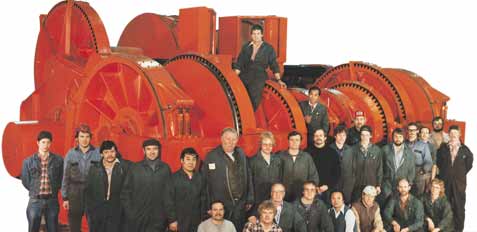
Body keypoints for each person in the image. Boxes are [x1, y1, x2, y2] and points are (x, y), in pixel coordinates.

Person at [202, 127, 254, 231]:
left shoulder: (241, 154)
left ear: (237, 140)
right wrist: (207, 205)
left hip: (240, 205)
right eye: (227, 138)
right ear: (221, 139)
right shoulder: (211, 156)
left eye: (234, 139)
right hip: (221, 206)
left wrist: (250, 198)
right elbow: (205, 183)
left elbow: (248, 176)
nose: (230, 142)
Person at [120, 139, 171, 231]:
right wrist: (131, 213)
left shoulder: (165, 168)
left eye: (155, 149)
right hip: (139, 218)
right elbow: (125, 193)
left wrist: (167, 216)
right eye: (148, 149)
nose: (152, 152)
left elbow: (169, 194)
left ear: (159, 150)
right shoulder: (134, 168)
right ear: (143, 151)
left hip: (159, 218)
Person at [232, 24, 286, 111]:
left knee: (254, 98)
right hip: (245, 74)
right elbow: (239, 63)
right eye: (254, 34)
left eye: (258, 34)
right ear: (251, 35)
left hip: (259, 75)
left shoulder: (268, 48)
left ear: (262, 35)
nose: (256, 36)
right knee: (238, 96)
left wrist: (279, 80)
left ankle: (249, 116)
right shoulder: (246, 47)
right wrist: (233, 78)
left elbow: (274, 64)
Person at [21, 131, 64, 232]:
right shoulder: (28, 161)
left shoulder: (58, 160)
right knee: (33, 228)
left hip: (52, 200)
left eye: (48, 142)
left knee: (53, 228)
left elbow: (61, 178)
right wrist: (34, 190)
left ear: (51, 143)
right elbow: (25, 181)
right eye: (43, 142)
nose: (46, 145)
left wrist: (55, 189)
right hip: (35, 200)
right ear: (38, 143)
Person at [61, 124, 100, 232]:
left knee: (95, 223)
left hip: (93, 193)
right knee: (74, 225)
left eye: (87, 136)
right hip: (75, 193)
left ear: (90, 138)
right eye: (82, 136)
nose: (84, 139)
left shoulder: (98, 153)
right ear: (77, 138)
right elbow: (65, 176)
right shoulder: (70, 154)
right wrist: (65, 197)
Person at [85, 140, 128, 232]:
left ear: (116, 152)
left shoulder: (124, 167)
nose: (110, 155)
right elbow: (88, 191)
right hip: (98, 210)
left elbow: (129, 190)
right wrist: (90, 211)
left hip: (116, 210)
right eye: (106, 152)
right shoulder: (94, 169)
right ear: (101, 154)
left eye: (112, 151)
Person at [436, 125, 473, 232]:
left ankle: (458, 229)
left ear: (459, 134)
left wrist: (458, 173)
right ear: (448, 135)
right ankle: (443, 229)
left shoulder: (465, 150)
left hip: (459, 183)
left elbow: (468, 165)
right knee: (443, 206)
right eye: (451, 134)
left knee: (459, 207)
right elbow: (439, 163)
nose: (453, 136)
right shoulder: (443, 148)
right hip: (445, 181)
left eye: (455, 133)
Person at [166, 147, 207, 232]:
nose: (191, 162)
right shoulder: (173, 178)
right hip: (179, 221)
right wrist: (172, 220)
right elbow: (168, 201)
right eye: (188, 159)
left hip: (196, 221)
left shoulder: (200, 178)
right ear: (182, 160)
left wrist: (204, 218)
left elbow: (203, 199)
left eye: (194, 159)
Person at [342, 125, 383, 204]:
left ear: (370, 136)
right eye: (362, 135)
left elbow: (379, 169)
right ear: (360, 136)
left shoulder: (377, 150)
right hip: (356, 185)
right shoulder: (353, 150)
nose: (365, 137)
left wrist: (378, 185)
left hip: (371, 184)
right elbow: (349, 169)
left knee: (369, 206)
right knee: (356, 206)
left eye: (367, 135)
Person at [279, 131, 320, 202]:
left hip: (302, 195)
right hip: (283, 195)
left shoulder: (306, 157)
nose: (294, 142)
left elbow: (313, 176)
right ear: (288, 141)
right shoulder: (280, 157)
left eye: (297, 140)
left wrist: (310, 192)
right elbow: (276, 175)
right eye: (292, 140)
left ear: (300, 142)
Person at [249, 131, 282, 213]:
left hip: (274, 198)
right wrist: (251, 199)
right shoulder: (253, 161)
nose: (268, 147)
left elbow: (280, 179)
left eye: (270, 145)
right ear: (260, 145)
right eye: (265, 144)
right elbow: (249, 182)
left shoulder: (277, 160)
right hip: (258, 199)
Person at [305, 128, 340, 205]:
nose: (318, 137)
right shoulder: (307, 153)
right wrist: (312, 187)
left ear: (325, 138)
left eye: (321, 135)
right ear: (313, 138)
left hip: (327, 191)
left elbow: (337, 173)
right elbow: (303, 172)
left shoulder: (332, 153)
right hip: (310, 191)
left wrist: (327, 186)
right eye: (316, 135)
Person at [381, 128, 416, 203]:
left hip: (402, 187)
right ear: (392, 137)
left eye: (400, 137)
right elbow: (380, 168)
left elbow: (412, 171)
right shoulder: (385, 150)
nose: (398, 139)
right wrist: (383, 184)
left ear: (403, 138)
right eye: (396, 136)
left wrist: (407, 184)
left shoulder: (410, 153)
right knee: (386, 207)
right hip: (388, 185)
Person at [406, 122, 432, 197]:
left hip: (418, 174)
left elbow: (428, 162)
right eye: (409, 130)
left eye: (413, 130)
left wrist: (422, 171)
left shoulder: (423, 145)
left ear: (417, 131)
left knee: (418, 197)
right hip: (405, 174)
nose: (411, 132)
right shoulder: (404, 144)